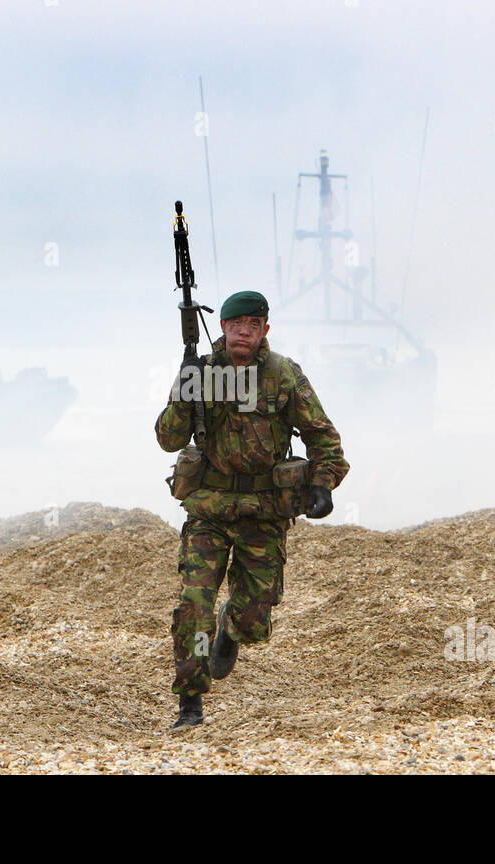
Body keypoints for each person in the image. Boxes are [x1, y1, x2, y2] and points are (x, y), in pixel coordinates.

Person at [155, 290, 349, 727]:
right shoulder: (200, 373)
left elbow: (323, 437)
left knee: (255, 614)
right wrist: (186, 390)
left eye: (253, 324)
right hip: (210, 508)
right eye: (236, 323)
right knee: (194, 606)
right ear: (222, 328)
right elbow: (168, 439)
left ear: (265, 330)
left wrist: (322, 484)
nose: (244, 330)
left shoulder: (283, 375)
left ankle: (233, 627)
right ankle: (190, 700)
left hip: (263, 511)